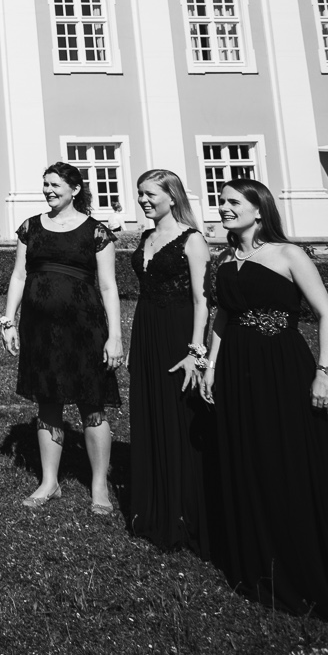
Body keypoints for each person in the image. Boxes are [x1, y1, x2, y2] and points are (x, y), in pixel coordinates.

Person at [199, 179, 328, 626]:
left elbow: (326, 314)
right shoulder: (225, 259)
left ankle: (300, 561)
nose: (224, 209)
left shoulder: (289, 254)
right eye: (222, 203)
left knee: (287, 458)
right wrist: (213, 366)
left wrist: (325, 371)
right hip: (237, 371)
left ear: (259, 209)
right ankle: (256, 559)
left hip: (282, 368)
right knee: (247, 458)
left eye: (234, 203)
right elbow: (224, 316)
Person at [0, 162, 123, 515]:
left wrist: (115, 336)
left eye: (55, 185)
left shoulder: (96, 232)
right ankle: (49, 482)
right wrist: (8, 321)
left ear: (74, 189)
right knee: (47, 403)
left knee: (92, 405)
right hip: (38, 329)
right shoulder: (31, 228)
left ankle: (99, 485)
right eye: (45, 185)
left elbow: (108, 286)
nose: (48, 190)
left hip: (85, 328)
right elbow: (19, 276)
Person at [126, 169, 213, 555]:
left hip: (178, 335)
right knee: (148, 414)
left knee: (179, 418)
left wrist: (196, 351)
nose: (144, 200)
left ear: (172, 196)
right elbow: (145, 294)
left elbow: (202, 301)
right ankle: (152, 505)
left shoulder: (192, 240)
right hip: (146, 333)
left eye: (151, 195)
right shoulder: (146, 237)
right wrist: (133, 344)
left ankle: (183, 510)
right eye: (140, 194)